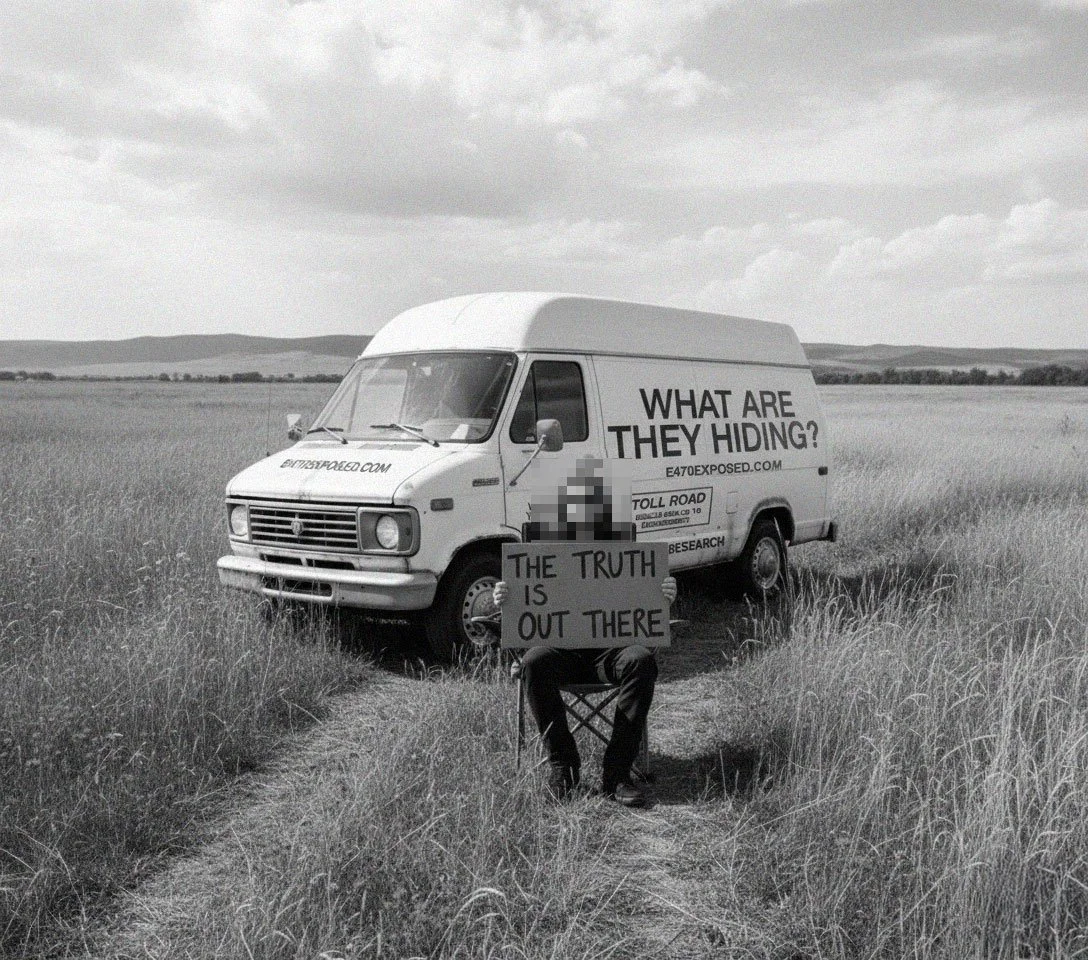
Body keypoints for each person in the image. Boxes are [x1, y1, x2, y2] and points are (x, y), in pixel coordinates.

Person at [492, 457, 677, 807]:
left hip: (612, 651)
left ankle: (617, 773)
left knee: (641, 660)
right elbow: (529, 601)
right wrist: (507, 598)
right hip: (561, 650)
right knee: (534, 662)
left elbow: (645, 598)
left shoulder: (623, 544)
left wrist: (664, 593)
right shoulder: (542, 545)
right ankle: (565, 767)